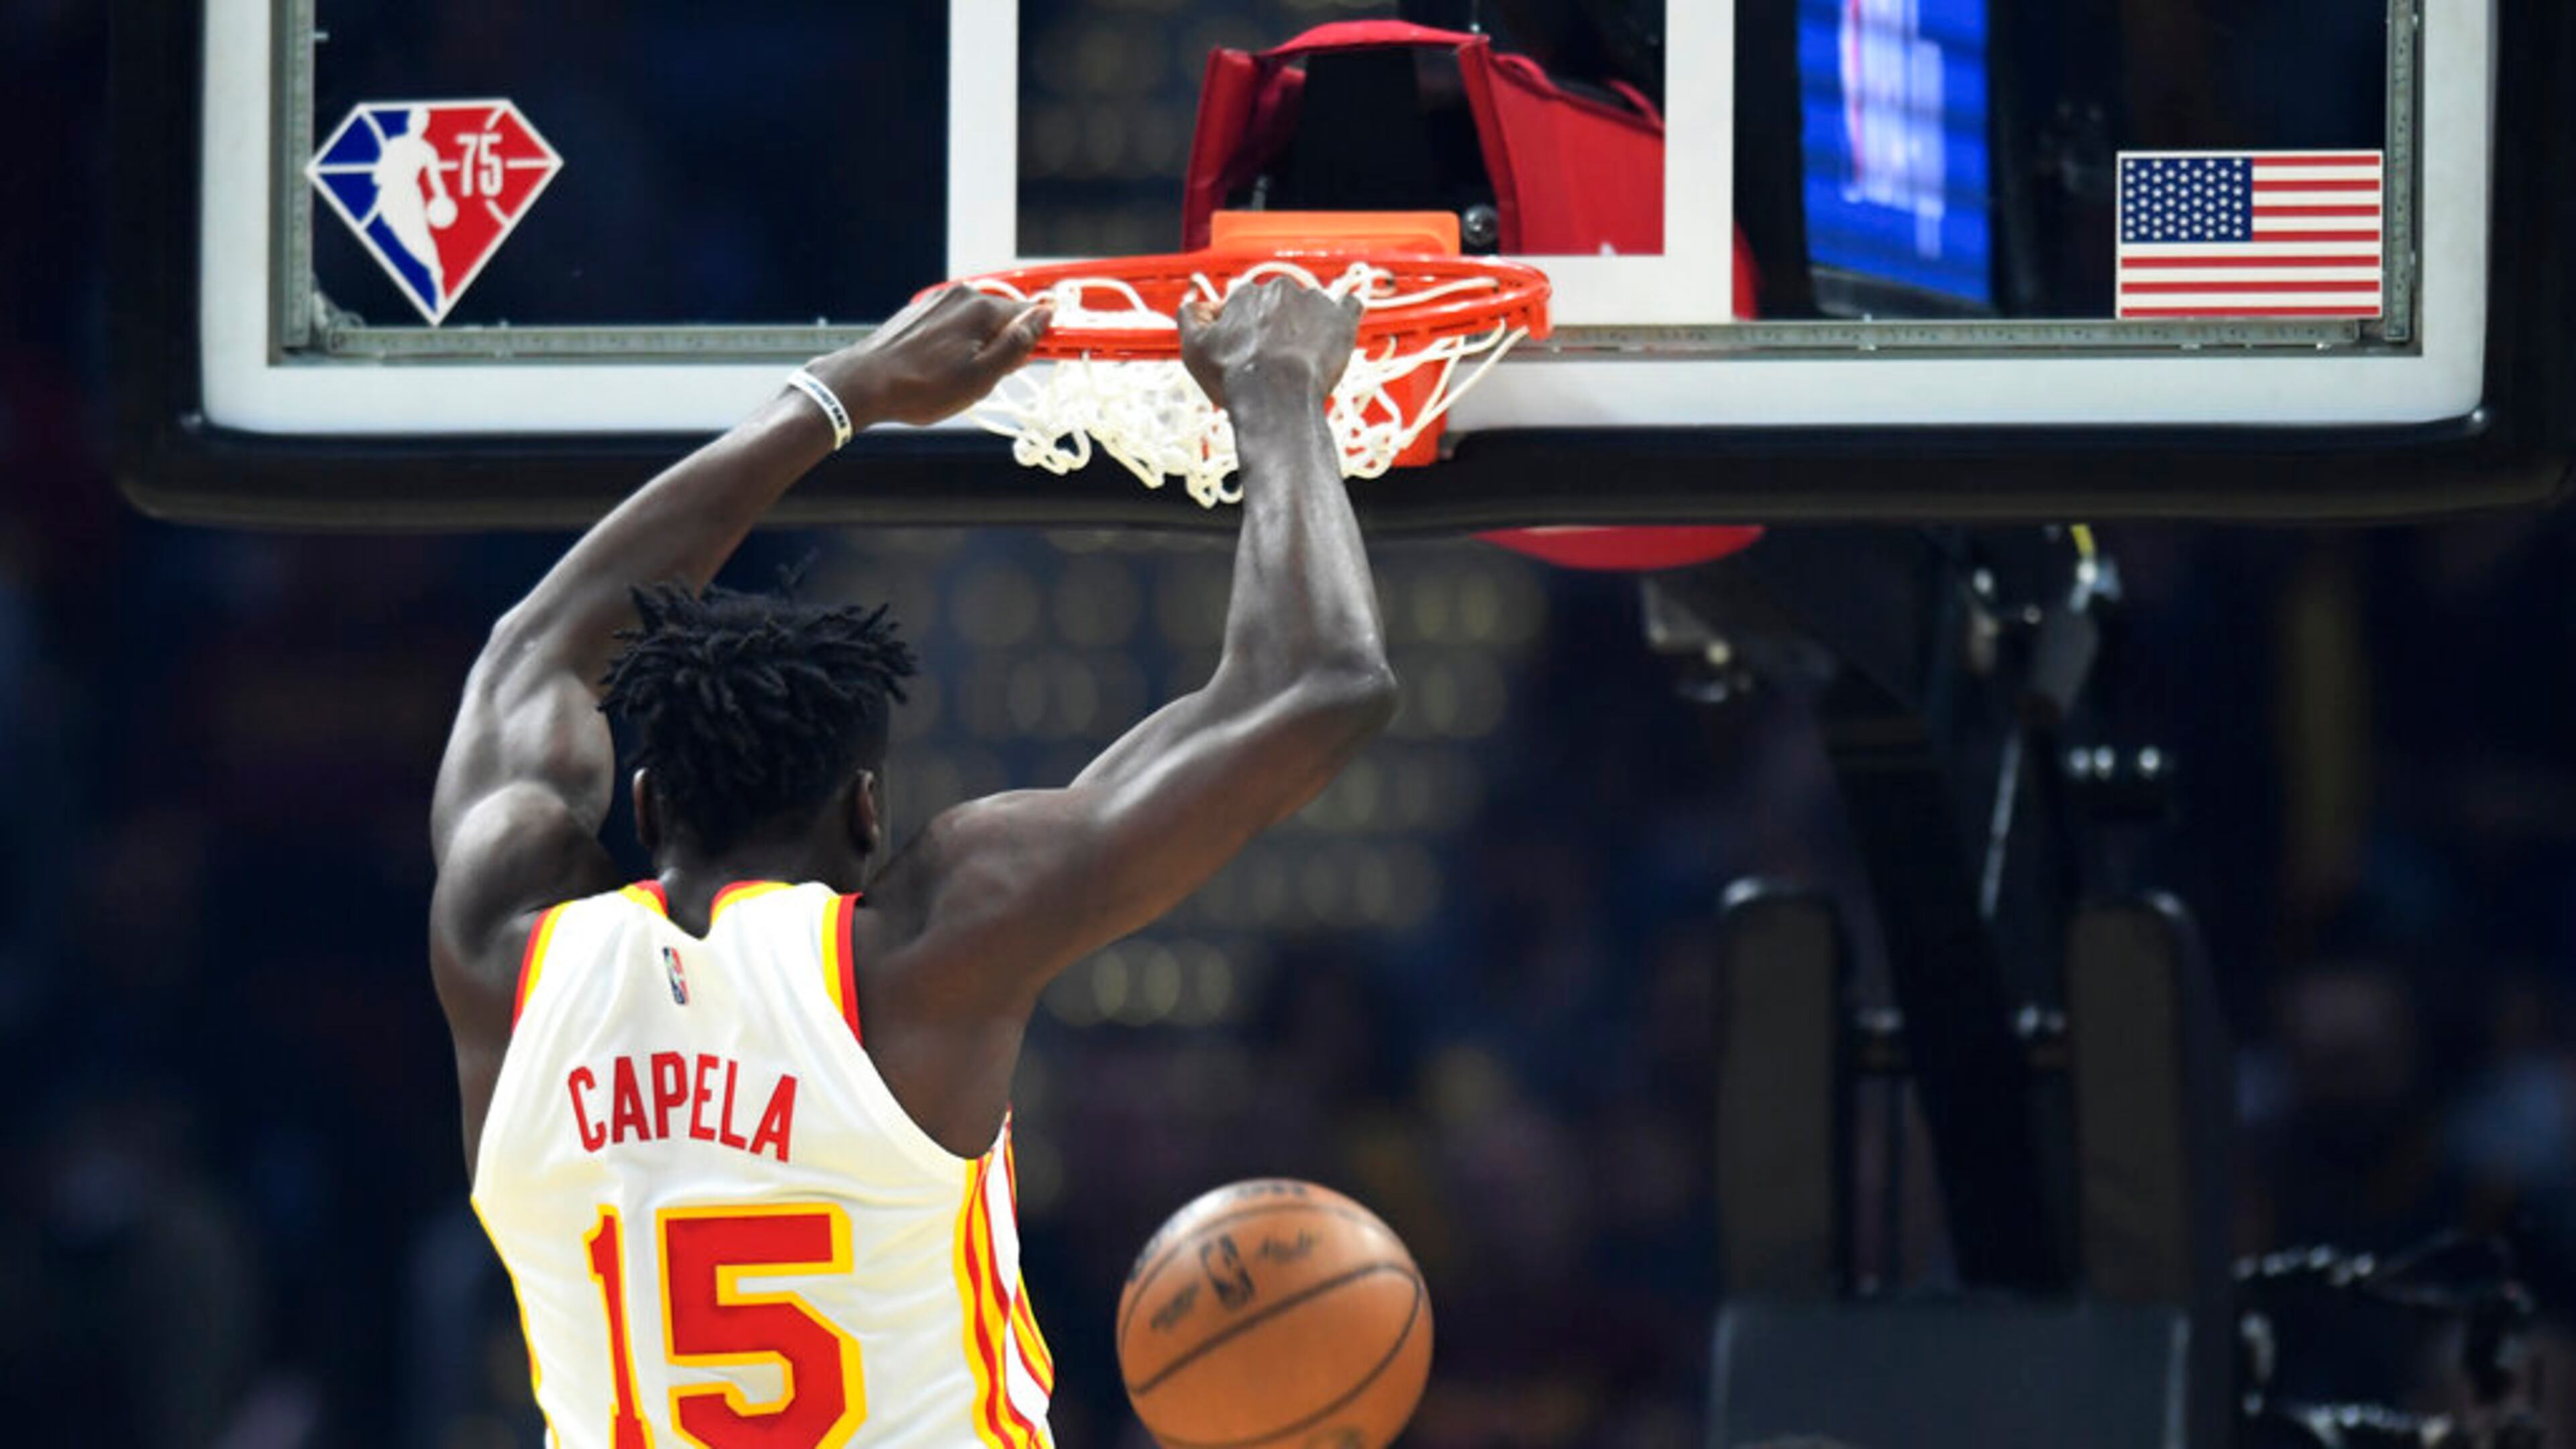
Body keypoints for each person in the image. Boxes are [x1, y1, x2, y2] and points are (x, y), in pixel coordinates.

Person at [427, 279, 1395, 1448]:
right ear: (869, 813)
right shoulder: (916, 965)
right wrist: (1277, 383)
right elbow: (1321, 680)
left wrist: (841, 396)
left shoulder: (499, 954)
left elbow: (532, 646)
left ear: (645, 799)